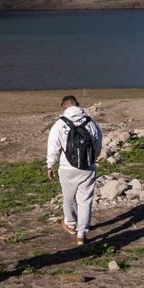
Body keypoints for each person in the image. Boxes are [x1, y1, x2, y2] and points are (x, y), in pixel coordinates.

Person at [46, 95, 103, 245]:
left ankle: (70, 224)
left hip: (67, 168)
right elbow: (98, 146)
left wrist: (50, 165)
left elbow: (53, 147)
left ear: (63, 106)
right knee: (85, 201)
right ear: (77, 105)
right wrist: (91, 159)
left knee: (68, 198)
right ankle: (81, 234)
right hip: (88, 168)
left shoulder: (60, 124)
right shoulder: (91, 123)